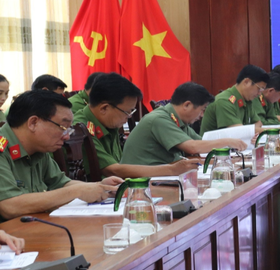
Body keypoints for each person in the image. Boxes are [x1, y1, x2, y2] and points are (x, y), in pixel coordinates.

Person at [0, 90, 123, 222]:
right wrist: (77, 192)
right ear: (33, 123)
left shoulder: (38, 148)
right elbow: (9, 206)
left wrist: (99, 187)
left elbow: (61, 183)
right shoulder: (3, 148)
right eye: (63, 128)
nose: (67, 137)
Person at [73, 73, 201, 178]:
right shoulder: (82, 128)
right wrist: (171, 169)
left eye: (131, 112)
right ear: (104, 108)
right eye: (126, 112)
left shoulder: (108, 123)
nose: (129, 117)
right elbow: (112, 170)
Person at [121, 82, 247, 166]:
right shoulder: (159, 119)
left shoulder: (179, 121)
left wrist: (233, 148)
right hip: (140, 181)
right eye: (202, 110)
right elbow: (192, 147)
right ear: (187, 105)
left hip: (160, 175)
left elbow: (202, 143)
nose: (202, 115)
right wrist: (228, 141)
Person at [200, 64, 269, 135]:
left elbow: (258, 123)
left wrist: (247, 130)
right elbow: (238, 131)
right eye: (259, 88)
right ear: (246, 82)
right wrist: (272, 131)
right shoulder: (224, 101)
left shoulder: (247, 99)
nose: (259, 94)